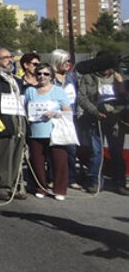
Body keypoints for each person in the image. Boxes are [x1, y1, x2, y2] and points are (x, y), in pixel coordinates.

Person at [77, 51, 129, 195]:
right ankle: (95, 182)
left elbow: (125, 99)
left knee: (116, 153)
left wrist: (121, 92)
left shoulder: (119, 77)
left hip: (115, 119)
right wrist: (95, 112)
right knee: (96, 152)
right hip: (95, 119)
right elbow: (82, 98)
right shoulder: (88, 77)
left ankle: (120, 183)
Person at [0, 49, 27, 201]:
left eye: (11, 57)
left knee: (17, 154)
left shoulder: (17, 80)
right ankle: (2, 186)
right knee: (4, 155)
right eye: (5, 58)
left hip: (19, 119)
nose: (10, 60)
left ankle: (15, 185)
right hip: (4, 121)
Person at [24, 62, 71, 201]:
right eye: (39, 73)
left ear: (51, 76)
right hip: (35, 131)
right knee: (37, 161)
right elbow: (25, 108)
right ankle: (41, 187)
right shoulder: (30, 91)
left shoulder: (58, 91)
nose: (42, 76)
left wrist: (56, 113)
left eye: (46, 74)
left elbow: (68, 110)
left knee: (59, 161)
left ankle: (60, 189)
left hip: (54, 131)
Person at [49, 49, 80, 190]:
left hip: (70, 117)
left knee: (71, 149)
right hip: (55, 117)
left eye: (69, 61)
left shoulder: (71, 77)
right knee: (54, 149)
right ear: (57, 62)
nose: (68, 64)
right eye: (66, 61)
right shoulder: (50, 78)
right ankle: (52, 177)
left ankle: (71, 178)